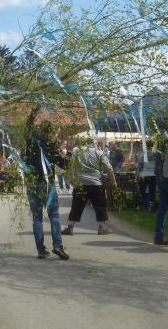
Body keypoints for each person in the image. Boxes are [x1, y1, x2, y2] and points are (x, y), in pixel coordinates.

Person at [23, 109, 70, 260]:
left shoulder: (30, 143)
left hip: (32, 184)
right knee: (54, 215)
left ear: (39, 130)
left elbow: (27, 125)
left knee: (37, 217)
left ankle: (41, 250)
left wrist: (35, 109)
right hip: (47, 185)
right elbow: (64, 165)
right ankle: (57, 245)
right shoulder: (51, 146)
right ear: (50, 133)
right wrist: (68, 152)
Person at [62, 139, 116, 236]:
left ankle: (70, 228)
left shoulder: (76, 151)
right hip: (96, 183)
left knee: (76, 206)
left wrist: (71, 179)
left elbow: (70, 165)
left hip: (80, 183)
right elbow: (108, 168)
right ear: (93, 143)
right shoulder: (98, 152)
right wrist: (114, 181)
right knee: (100, 206)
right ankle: (102, 228)